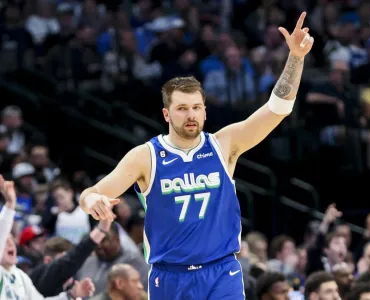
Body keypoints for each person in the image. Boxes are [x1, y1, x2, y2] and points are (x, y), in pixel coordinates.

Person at [79, 12, 314, 299]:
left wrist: (296, 58)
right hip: (170, 276)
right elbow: (90, 193)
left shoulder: (224, 144)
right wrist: (94, 200)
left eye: (196, 107)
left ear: (204, 110)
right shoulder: (146, 156)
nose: (190, 115)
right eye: (181, 108)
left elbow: (278, 108)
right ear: (166, 114)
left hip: (222, 271)